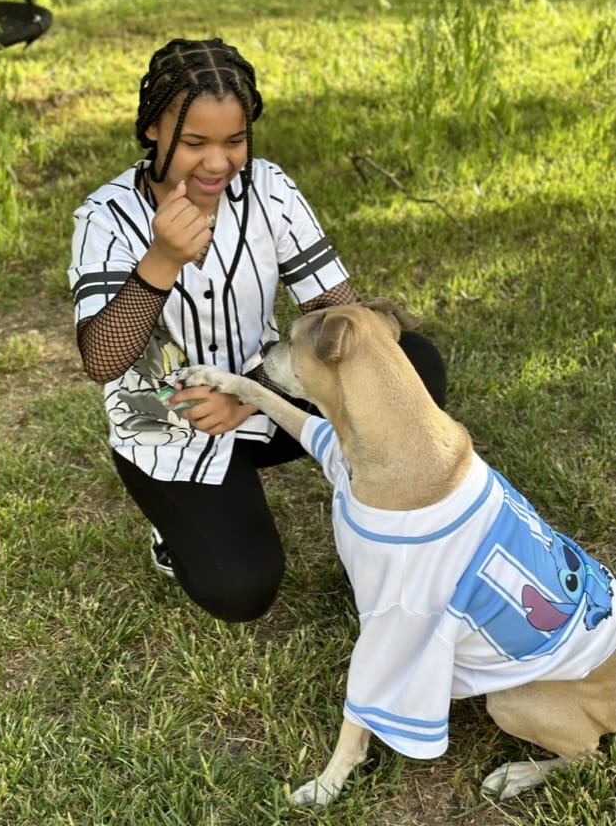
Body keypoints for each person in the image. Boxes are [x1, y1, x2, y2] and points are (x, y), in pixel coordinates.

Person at [68, 38, 446, 623]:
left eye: (234, 140)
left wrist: (246, 393)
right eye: (194, 142)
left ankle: (378, 510)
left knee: (413, 363)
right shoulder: (107, 218)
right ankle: (174, 526)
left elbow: (345, 319)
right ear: (152, 130)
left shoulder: (268, 189)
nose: (218, 162)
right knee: (240, 589)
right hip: (175, 427)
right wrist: (161, 261)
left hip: (263, 395)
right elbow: (102, 359)